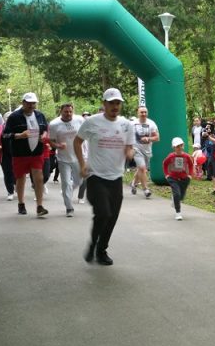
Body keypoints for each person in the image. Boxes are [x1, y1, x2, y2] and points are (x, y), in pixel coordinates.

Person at [74, 88, 135, 266]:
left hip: (116, 177)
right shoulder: (92, 122)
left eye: (118, 103)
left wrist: (129, 152)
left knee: (112, 216)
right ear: (104, 104)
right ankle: (93, 244)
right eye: (111, 103)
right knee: (103, 212)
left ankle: (102, 249)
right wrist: (82, 163)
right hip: (95, 176)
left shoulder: (126, 124)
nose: (115, 106)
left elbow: (130, 145)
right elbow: (77, 141)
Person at [2, 92, 49, 216]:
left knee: (39, 179)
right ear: (23, 103)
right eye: (29, 103)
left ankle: (39, 206)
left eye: (34, 103)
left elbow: (45, 130)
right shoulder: (14, 117)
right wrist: (19, 135)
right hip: (20, 153)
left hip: (37, 151)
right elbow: (5, 135)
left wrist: (44, 135)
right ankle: (21, 203)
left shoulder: (40, 116)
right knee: (20, 178)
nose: (31, 106)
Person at [48, 103, 84, 217]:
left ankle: (67, 191)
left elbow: (86, 134)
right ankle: (69, 207)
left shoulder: (79, 120)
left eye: (70, 112)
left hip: (78, 156)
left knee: (79, 181)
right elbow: (50, 141)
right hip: (63, 158)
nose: (68, 114)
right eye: (66, 112)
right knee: (66, 183)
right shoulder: (54, 124)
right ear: (61, 112)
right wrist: (58, 146)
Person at [129, 106, 159, 198]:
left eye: (145, 112)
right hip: (136, 149)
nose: (143, 114)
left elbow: (157, 138)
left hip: (147, 150)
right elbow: (127, 137)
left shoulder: (151, 124)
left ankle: (134, 183)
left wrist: (148, 138)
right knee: (142, 168)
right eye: (141, 112)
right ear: (138, 113)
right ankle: (146, 189)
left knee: (140, 169)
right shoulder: (132, 124)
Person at [163, 137, 193, 220]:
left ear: (183, 146)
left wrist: (190, 175)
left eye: (181, 146)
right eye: (177, 146)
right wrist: (167, 175)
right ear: (174, 148)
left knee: (181, 196)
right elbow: (165, 164)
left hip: (184, 178)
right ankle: (178, 212)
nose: (179, 148)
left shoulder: (186, 156)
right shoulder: (171, 156)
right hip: (173, 178)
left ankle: (175, 199)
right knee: (177, 194)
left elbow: (191, 165)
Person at [0, 112, 15, 201]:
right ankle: (10, 192)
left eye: (11, 117)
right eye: (7, 117)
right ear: (4, 119)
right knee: (7, 172)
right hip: (3, 154)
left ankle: (16, 184)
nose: (9, 119)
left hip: (17, 154)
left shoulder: (18, 128)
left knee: (16, 173)